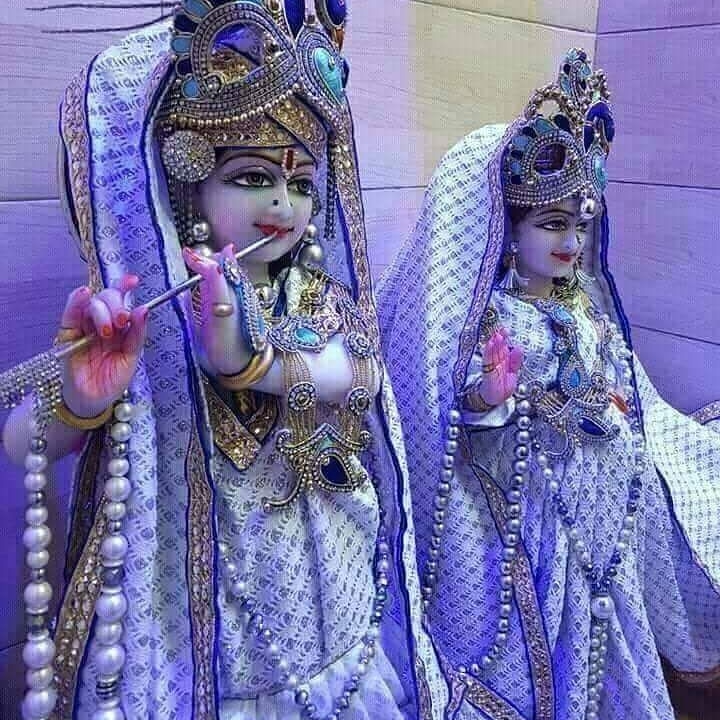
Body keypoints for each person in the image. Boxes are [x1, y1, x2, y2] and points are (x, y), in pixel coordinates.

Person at [2, 2, 446, 718]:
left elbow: (362, 379)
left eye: (302, 183)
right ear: (188, 180)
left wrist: (254, 365)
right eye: (250, 176)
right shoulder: (146, 310)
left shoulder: (315, 295)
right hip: (205, 631)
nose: (283, 205)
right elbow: (22, 441)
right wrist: (86, 397)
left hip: (333, 598)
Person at [378, 49, 720, 720]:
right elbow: (462, 416)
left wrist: (614, 401)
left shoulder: (584, 306)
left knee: (611, 627)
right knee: (554, 630)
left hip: (607, 509)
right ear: (511, 230)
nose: (571, 244)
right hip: (539, 511)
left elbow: (613, 377)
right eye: (552, 224)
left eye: (580, 226)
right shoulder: (495, 317)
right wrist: (490, 396)